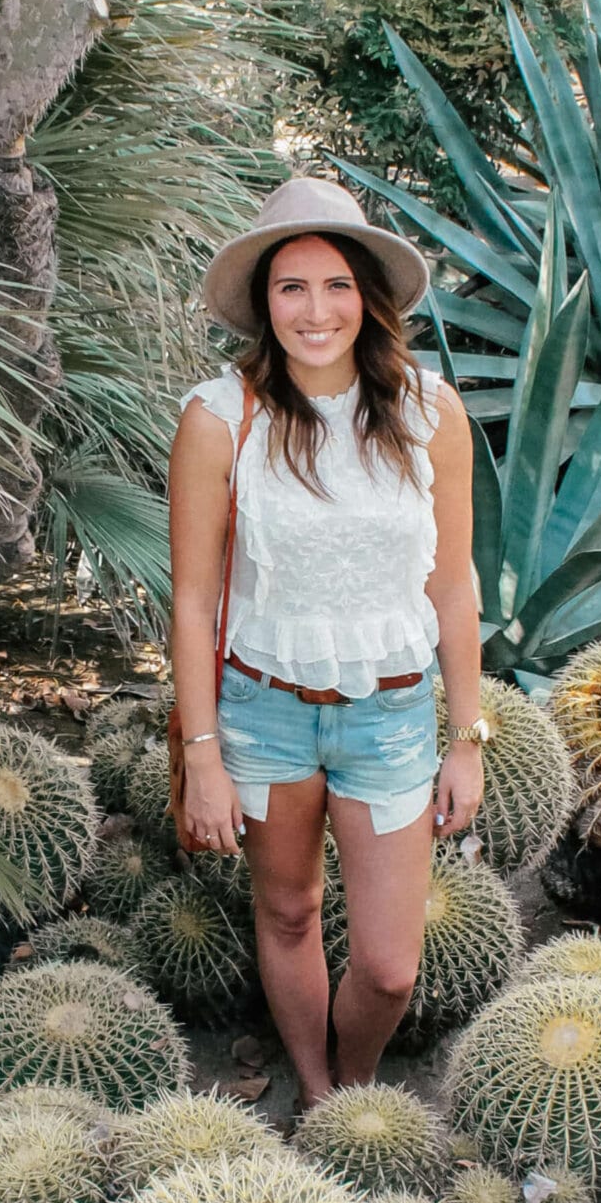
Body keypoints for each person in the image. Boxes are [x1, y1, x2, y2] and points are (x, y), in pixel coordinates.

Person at [168, 176, 491, 1109]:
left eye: (337, 284)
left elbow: (452, 581)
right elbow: (191, 601)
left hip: (390, 717)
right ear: (265, 304)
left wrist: (464, 736)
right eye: (292, 287)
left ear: (370, 297)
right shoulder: (220, 418)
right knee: (290, 911)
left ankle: (353, 1085)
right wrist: (202, 757)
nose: (316, 311)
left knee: (389, 967)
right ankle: (318, 1097)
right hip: (263, 714)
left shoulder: (431, 413)